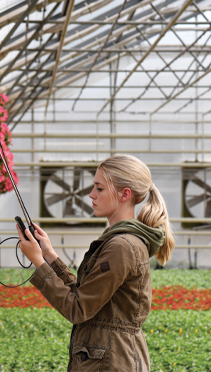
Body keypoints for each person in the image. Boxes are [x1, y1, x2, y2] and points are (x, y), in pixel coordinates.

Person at [17, 154, 175, 372]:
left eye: (99, 188)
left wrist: (37, 261)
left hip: (111, 362)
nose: (91, 195)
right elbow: (85, 295)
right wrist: (49, 255)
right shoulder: (119, 240)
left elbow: (77, 308)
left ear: (124, 194)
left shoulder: (121, 246)